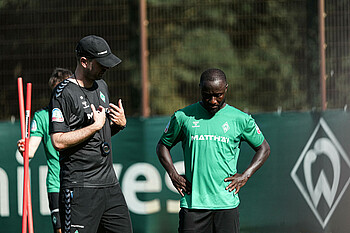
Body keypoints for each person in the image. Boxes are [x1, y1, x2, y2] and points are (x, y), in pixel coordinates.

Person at [156, 68, 271, 233]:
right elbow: (162, 146)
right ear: (200, 89)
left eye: (218, 95)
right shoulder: (183, 117)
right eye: (207, 95)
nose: (212, 100)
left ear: (226, 89)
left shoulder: (241, 119)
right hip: (193, 204)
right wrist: (173, 174)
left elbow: (264, 148)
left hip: (226, 205)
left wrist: (245, 175)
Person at [49, 35, 133, 233]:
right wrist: (94, 127)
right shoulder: (63, 93)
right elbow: (58, 141)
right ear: (84, 62)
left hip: (110, 185)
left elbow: (98, 136)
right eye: (101, 63)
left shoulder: (101, 86)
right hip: (80, 188)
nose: (106, 68)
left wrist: (118, 125)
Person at [17, 67, 73, 233]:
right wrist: (24, 148)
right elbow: (30, 151)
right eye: (58, 90)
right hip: (56, 184)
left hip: (78, 183)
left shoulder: (78, 112)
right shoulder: (42, 116)